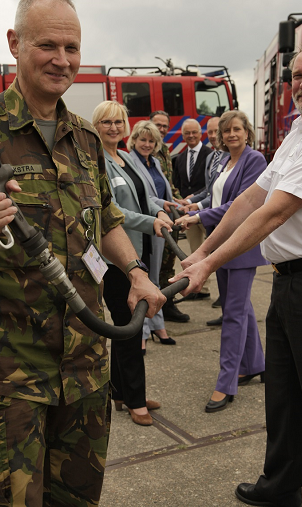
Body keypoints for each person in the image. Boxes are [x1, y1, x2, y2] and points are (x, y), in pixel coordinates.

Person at [0, 0, 165, 507]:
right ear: (14, 43)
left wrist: (137, 272)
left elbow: (105, 218)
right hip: (7, 376)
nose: (63, 60)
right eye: (48, 45)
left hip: (85, 367)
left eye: (72, 48)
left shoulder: (84, 137)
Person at [170, 36, 302, 507]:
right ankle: (280, 486)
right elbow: (248, 200)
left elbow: (274, 213)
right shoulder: (299, 132)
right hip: (292, 280)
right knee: (284, 393)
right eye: (296, 75)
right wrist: (202, 255)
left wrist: (210, 264)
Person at [176, 111, 267, 412]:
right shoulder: (221, 161)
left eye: (237, 129)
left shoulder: (254, 161)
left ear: (247, 132)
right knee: (238, 307)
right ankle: (255, 364)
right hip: (221, 243)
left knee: (233, 314)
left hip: (240, 247)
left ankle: (225, 383)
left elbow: (237, 206)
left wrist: (198, 216)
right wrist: (195, 205)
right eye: (226, 131)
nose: (231, 135)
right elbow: (213, 195)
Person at [93, 100, 172, 427]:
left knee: (128, 328)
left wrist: (159, 211)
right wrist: (148, 220)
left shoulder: (125, 157)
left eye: (118, 121)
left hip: (144, 250)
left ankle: (122, 392)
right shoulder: (96, 162)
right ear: (96, 126)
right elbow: (112, 211)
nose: (113, 127)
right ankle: (135, 400)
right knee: (130, 327)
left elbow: (146, 195)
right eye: (106, 122)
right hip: (118, 259)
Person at [128, 120, 180, 350]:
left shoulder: (156, 163)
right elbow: (143, 196)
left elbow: (160, 190)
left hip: (159, 225)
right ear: (134, 140)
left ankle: (157, 326)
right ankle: (144, 331)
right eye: (143, 139)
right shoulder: (128, 161)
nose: (147, 144)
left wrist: (174, 205)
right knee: (143, 278)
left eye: (151, 141)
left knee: (156, 277)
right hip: (142, 225)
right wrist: (161, 205)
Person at [181, 116, 228, 308]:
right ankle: (224, 300)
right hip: (209, 214)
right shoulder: (212, 157)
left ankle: (227, 300)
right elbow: (209, 190)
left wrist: (198, 207)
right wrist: (190, 201)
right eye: (210, 132)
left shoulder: (231, 156)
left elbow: (223, 193)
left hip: (223, 216)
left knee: (223, 259)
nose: (213, 136)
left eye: (217, 131)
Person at [149, 110, 191, 322]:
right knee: (155, 264)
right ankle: (157, 308)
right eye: (158, 124)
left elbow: (169, 184)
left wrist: (180, 201)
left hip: (169, 214)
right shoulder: (147, 148)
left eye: (165, 125)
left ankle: (167, 304)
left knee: (168, 262)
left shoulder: (164, 151)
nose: (162, 129)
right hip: (154, 216)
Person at [172, 118, 212, 299]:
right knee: (195, 250)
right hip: (188, 214)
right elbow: (179, 183)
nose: (191, 136)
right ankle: (200, 288)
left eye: (194, 132)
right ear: (183, 136)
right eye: (187, 133)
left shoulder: (210, 155)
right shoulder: (180, 158)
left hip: (207, 210)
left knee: (213, 248)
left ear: (200, 133)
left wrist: (194, 199)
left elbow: (211, 185)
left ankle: (221, 289)